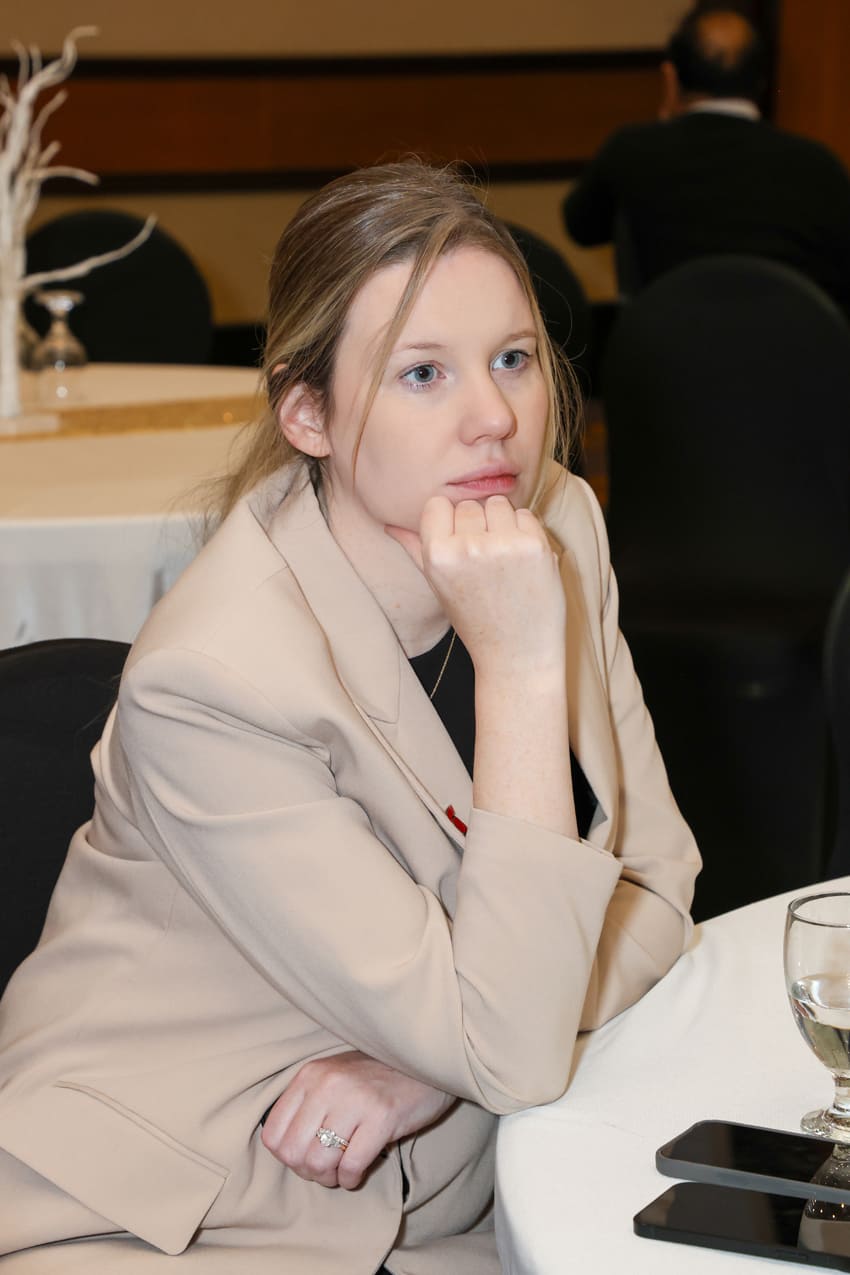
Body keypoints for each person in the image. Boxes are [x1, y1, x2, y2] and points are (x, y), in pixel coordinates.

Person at [0, 161, 700, 1274]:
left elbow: (656, 887)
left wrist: (429, 1067)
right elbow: (515, 1037)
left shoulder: (554, 524)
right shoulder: (214, 678)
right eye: (423, 373)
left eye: (513, 358)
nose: (495, 418)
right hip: (173, 1209)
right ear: (308, 414)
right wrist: (521, 666)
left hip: (450, 1177)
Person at [562, 3, 850, 313]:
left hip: (669, 337)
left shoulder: (631, 150)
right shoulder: (819, 165)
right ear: (763, 82)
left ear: (671, 77)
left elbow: (581, 227)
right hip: (798, 338)